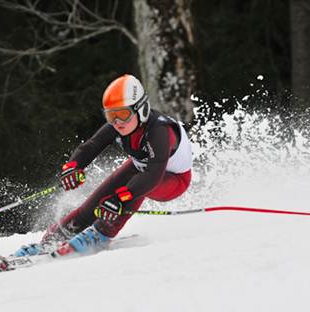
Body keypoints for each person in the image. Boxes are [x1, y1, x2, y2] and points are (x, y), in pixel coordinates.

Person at [15, 74, 193, 256]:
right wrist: (72, 167)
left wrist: (118, 199)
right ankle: (52, 241)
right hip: (140, 170)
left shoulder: (160, 131)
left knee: (126, 192)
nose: (116, 122)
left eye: (122, 114)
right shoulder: (119, 125)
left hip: (173, 181)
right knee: (93, 204)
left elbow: (152, 175)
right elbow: (91, 146)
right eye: (111, 115)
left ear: (142, 110)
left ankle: (100, 235)